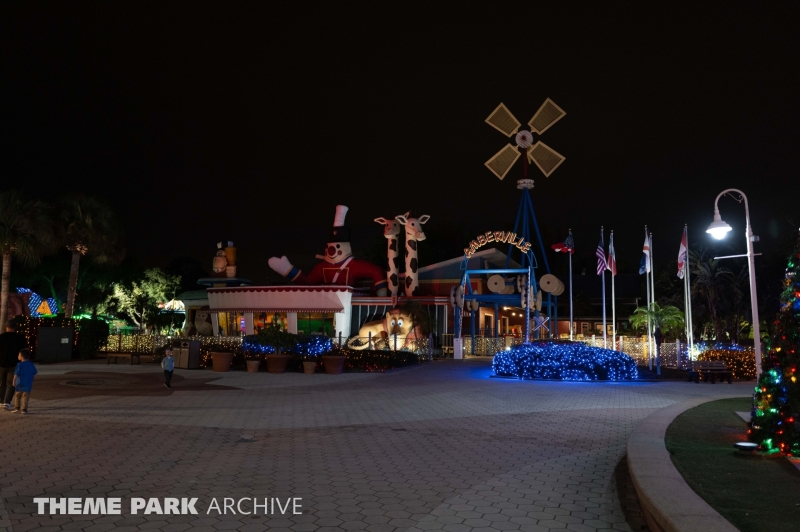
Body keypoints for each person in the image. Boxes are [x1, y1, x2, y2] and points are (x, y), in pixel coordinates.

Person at [0, 321, 28, 409]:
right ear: (15, 327)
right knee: (11, 383)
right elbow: (26, 350)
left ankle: (1, 400)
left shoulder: (1, 337)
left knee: (2, 382)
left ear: (6, 327)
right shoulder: (20, 338)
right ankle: (7, 402)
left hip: (1, 363)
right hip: (15, 364)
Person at [10, 348, 36, 414]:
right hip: (28, 384)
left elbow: (16, 374)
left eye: (19, 355)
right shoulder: (31, 364)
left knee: (17, 396)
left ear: (21, 356)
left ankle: (17, 407)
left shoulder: (19, 365)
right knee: (25, 397)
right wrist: (32, 380)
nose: (18, 356)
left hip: (19, 383)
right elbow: (33, 373)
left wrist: (13, 381)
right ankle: (24, 409)